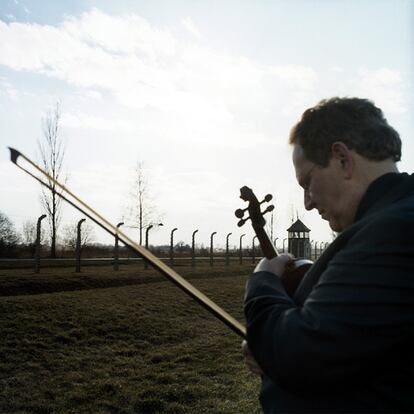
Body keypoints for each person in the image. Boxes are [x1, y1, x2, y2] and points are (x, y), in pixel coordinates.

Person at [243, 97, 414, 413]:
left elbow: (304, 357)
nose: (307, 202)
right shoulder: (389, 219)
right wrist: (270, 344)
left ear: (341, 159)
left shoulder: (391, 231)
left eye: (307, 182)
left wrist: (263, 281)